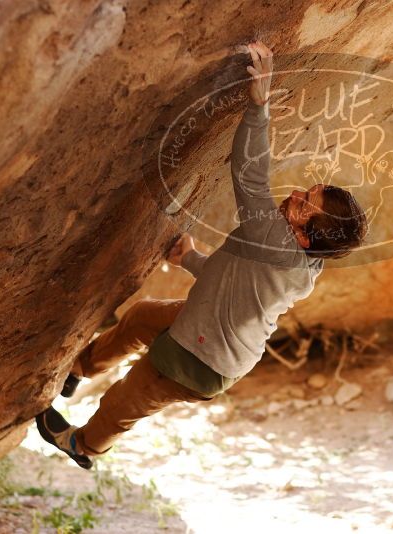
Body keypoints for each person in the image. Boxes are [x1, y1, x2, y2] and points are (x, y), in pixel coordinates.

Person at [35, 40, 369, 469]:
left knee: (129, 398)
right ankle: (78, 369)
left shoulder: (277, 243)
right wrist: (189, 259)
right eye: (309, 191)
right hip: (207, 328)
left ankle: (83, 446)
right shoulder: (300, 257)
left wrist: (259, 104)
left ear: (305, 238)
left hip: (200, 361)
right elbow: (230, 285)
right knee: (141, 319)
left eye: (305, 203)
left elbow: (250, 176)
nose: (296, 195)